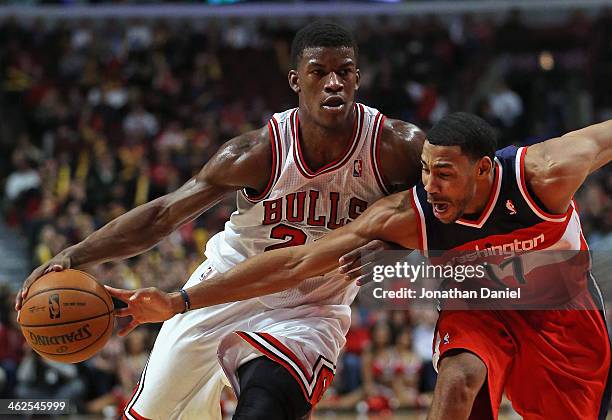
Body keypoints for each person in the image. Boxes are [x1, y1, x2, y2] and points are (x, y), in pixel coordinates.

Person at [15, 22, 425, 420]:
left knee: (264, 405)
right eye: (319, 72)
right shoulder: (257, 151)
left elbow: (435, 217)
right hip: (222, 289)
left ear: (358, 78)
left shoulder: (398, 148)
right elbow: (163, 214)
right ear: (296, 81)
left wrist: (393, 247)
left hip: (312, 308)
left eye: (344, 72)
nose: (333, 82)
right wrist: (75, 255)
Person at [111, 112, 612, 419]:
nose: (430, 186)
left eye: (445, 174)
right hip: (478, 296)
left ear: (483, 170)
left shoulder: (543, 172)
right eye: (424, 171)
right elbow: (298, 261)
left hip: (558, 304)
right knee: (458, 379)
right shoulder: (411, 212)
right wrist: (180, 300)